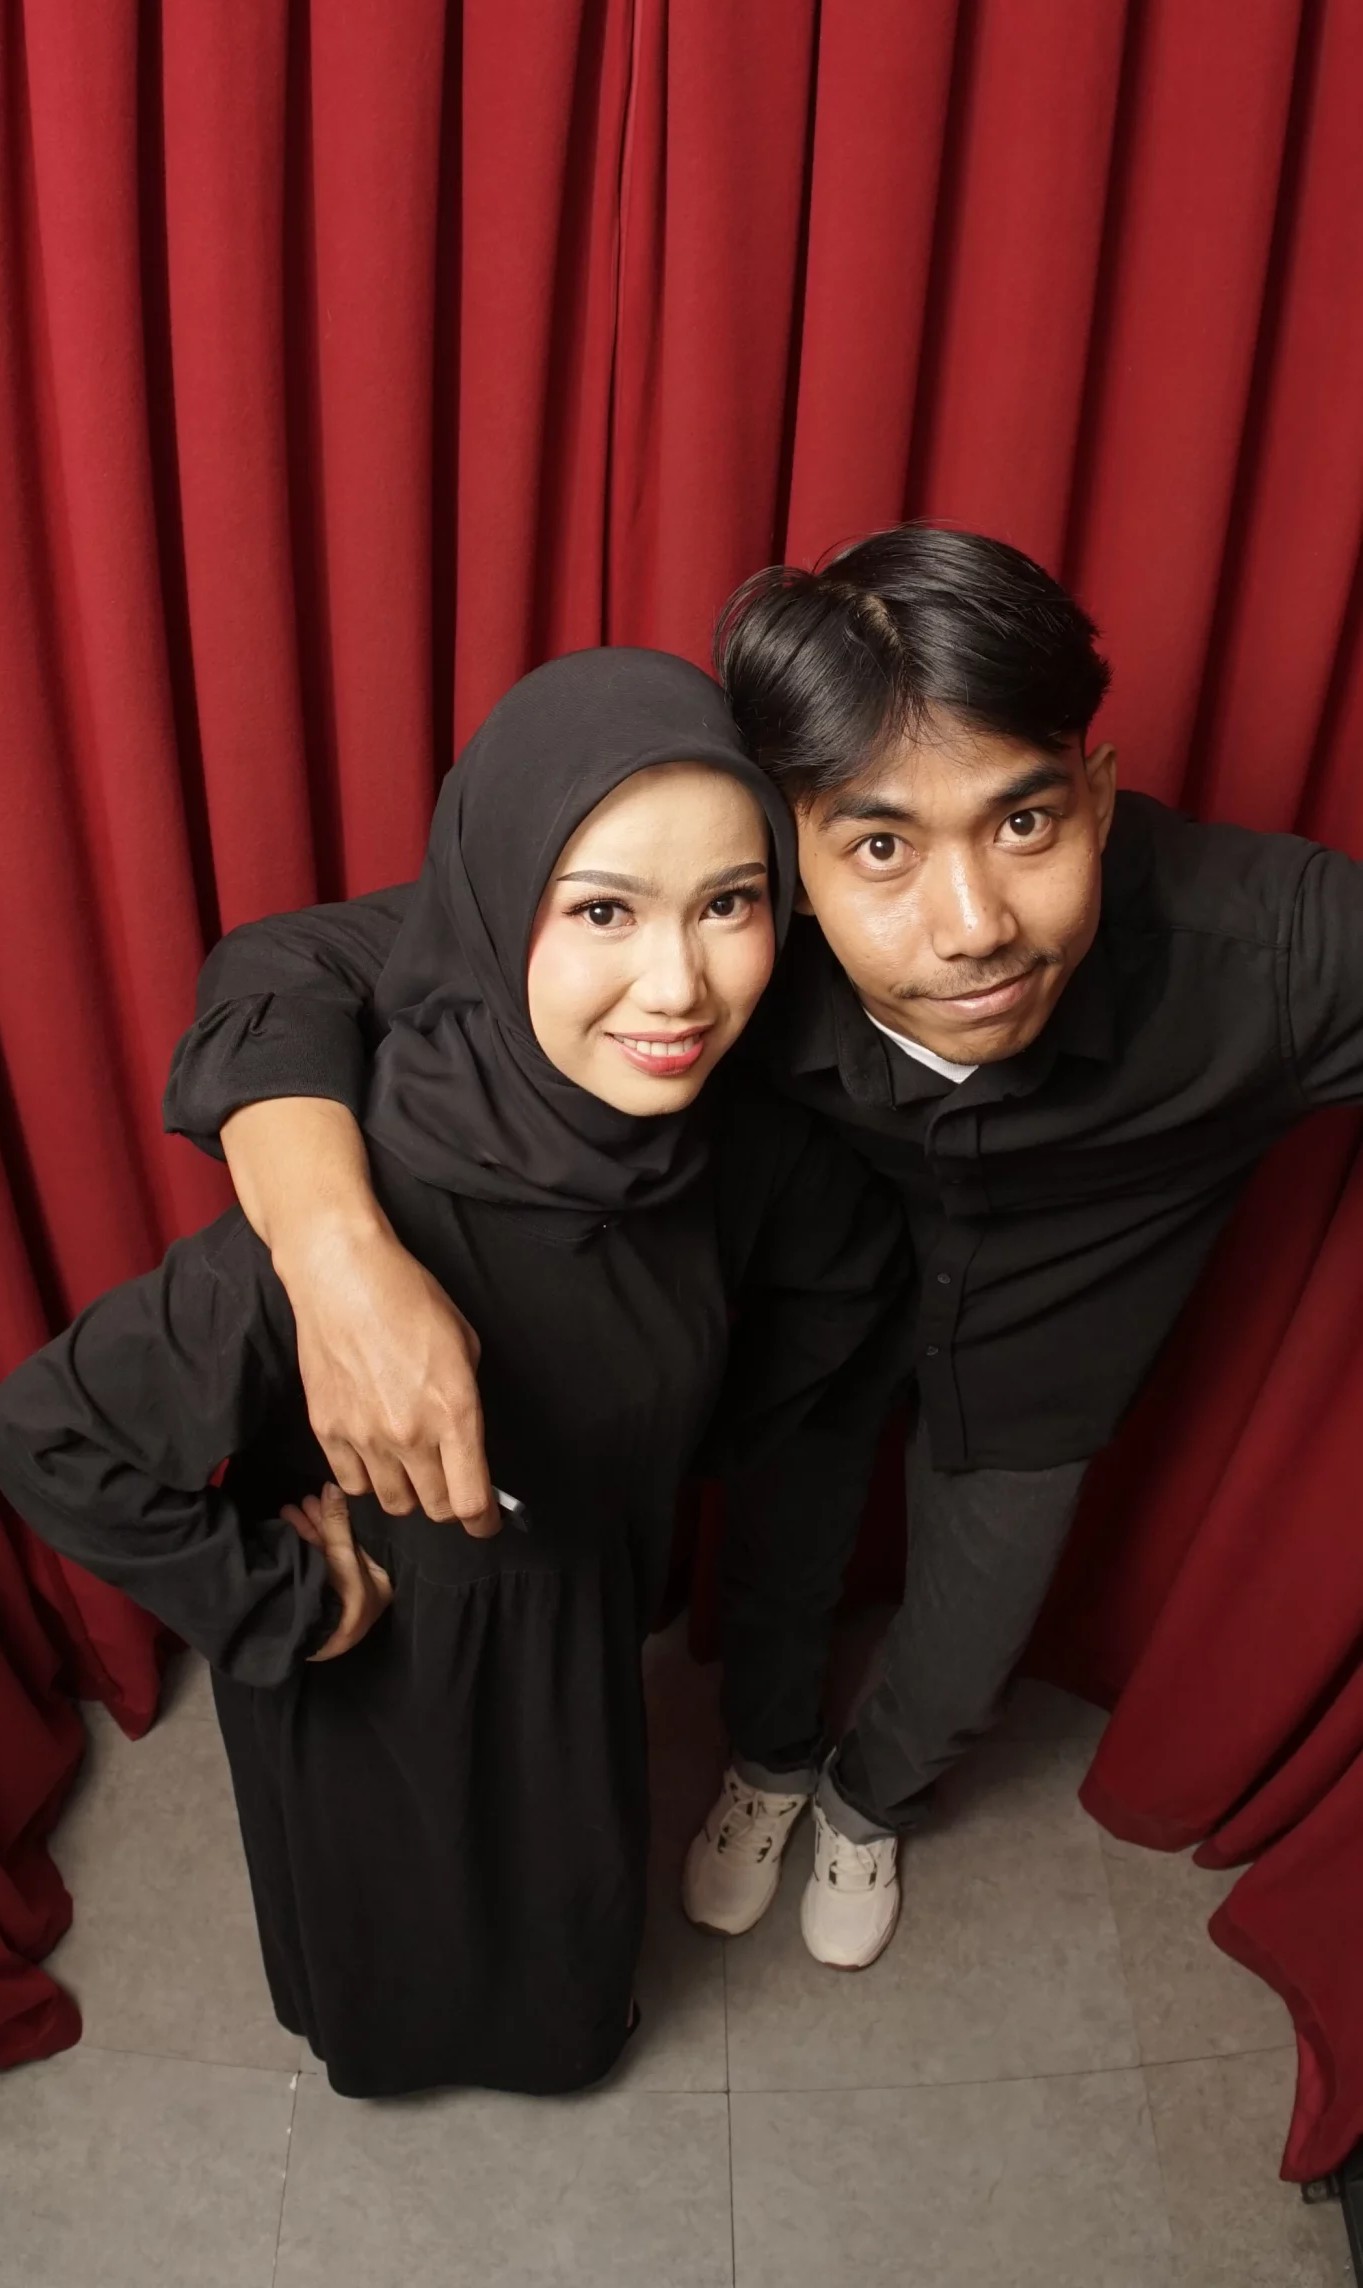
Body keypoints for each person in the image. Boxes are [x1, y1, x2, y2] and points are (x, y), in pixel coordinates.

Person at [159, 524, 1363, 1980]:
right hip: (810, 1312)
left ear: (1097, 799)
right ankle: (772, 1763)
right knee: (780, 1561)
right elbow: (286, 966)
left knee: (973, 1623)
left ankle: (870, 1802)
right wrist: (336, 1257)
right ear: (788, 858)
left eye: (1025, 825)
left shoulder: (1273, 953)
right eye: (881, 847)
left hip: (1049, 1362)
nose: (974, 928)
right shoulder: (721, 928)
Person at [0, 649, 895, 2095]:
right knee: (389, 1912)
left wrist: (683, 1459)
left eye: (728, 904)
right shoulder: (359, 1203)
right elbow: (46, 1434)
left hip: (575, 1632)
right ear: (489, 902)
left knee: (559, 1902)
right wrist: (284, 1604)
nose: (678, 985)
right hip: (378, 1655)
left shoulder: (728, 1140)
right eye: (602, 910)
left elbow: (843, 1279)